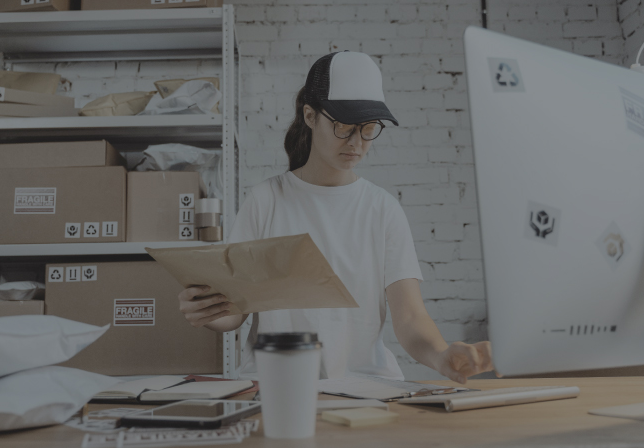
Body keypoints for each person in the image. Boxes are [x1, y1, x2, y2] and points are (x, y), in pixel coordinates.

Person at [178, 51, 497, 384]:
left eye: (368, 128)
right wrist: (206, 310)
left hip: (367, 388)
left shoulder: (382, 209)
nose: (357, 143)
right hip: (277, 385)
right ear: (310, 116)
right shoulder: (266, 201)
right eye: (343, 127)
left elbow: (411, 317)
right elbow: (236, 311)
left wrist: (441, 356)